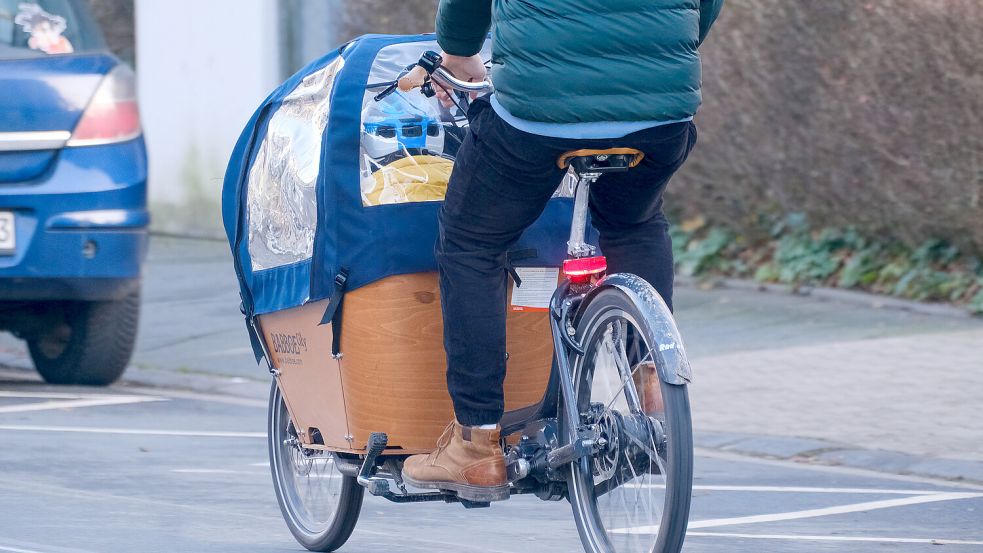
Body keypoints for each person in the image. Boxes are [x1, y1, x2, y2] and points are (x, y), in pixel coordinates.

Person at [402, 0, 725, 499]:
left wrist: (459, 52)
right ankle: (658, 395)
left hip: (539, 112)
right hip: (660, 110)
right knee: (633, 223)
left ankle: (477, 443)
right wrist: (660, 53)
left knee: (473, 243)